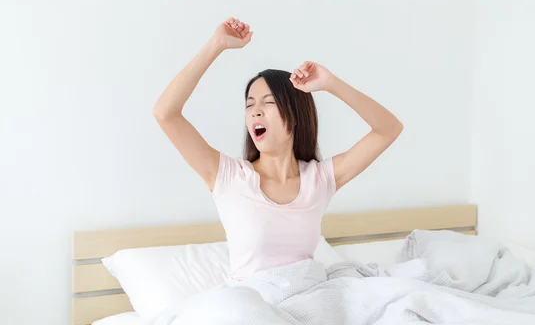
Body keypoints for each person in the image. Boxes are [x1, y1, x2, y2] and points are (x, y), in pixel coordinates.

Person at [152, 17, 403, 279]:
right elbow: (165, 113)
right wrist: (216, 45)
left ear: (294, 116)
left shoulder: (319, 179)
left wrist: (331, 83)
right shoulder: (228, 176)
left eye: (267, 102)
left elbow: (388, 129)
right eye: (250, 105)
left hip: (307, 299)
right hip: (251, 307)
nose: (255, 112)